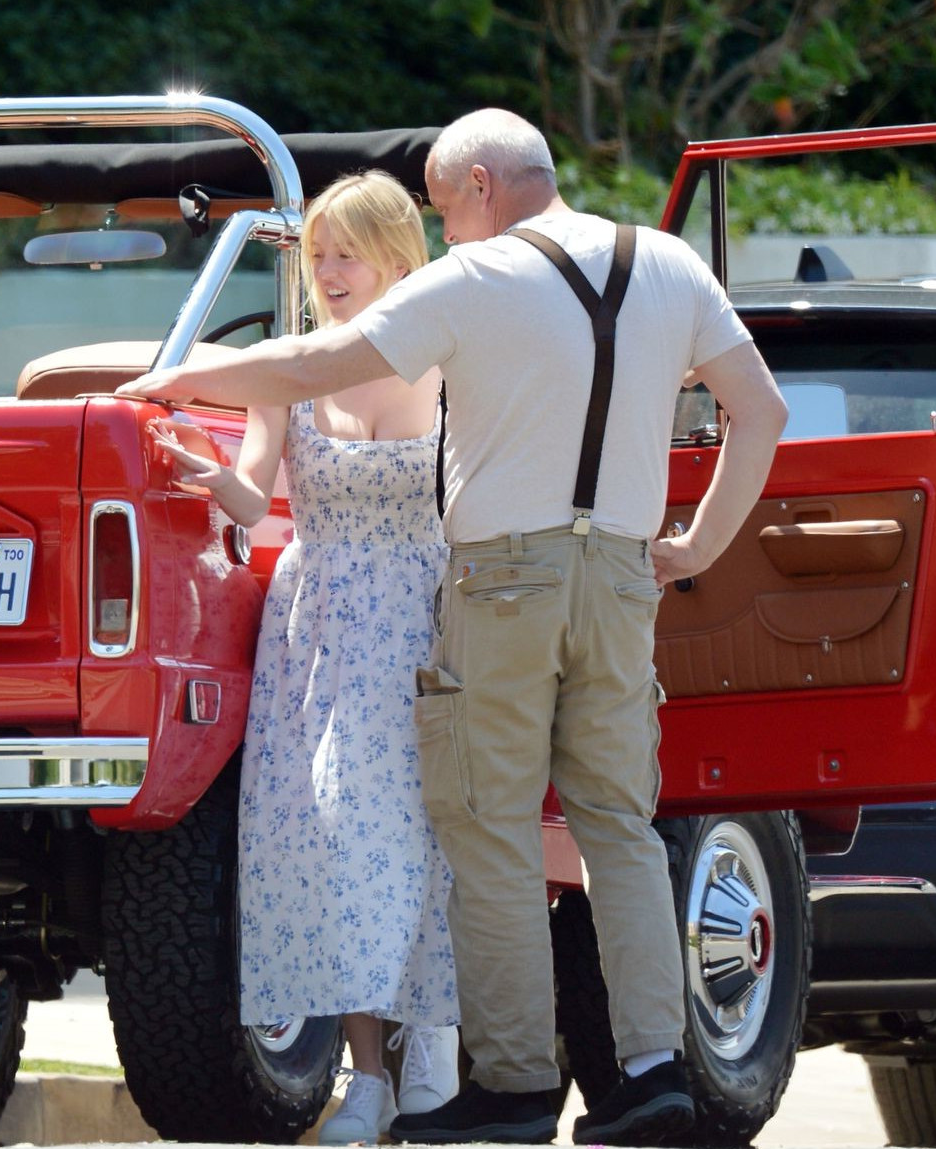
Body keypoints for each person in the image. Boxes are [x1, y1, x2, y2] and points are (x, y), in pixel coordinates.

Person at [121, 109, 787, 1147]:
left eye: (443, 206)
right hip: (619, 574)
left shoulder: (472, 280)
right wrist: (696, 547)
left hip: (501, 578)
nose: (446, 228)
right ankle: (653, 1075)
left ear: (480, 183)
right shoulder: (667, 263)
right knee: (618, 826)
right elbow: (764, 412)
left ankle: (515, 1086)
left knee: (486, 824)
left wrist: (175, 379)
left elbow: (308, 366)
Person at [149, 170, 460, 1146]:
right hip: (320, 629)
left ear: (399, 259)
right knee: (333, 844)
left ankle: (438, 1042)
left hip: (430, 624)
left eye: (345, 252)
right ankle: (368, 1075)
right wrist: (203, 475)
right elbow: (250, 495)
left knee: (436, 837)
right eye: (316, 251)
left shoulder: (455, 360)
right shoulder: (288, 368)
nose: (325, 270)